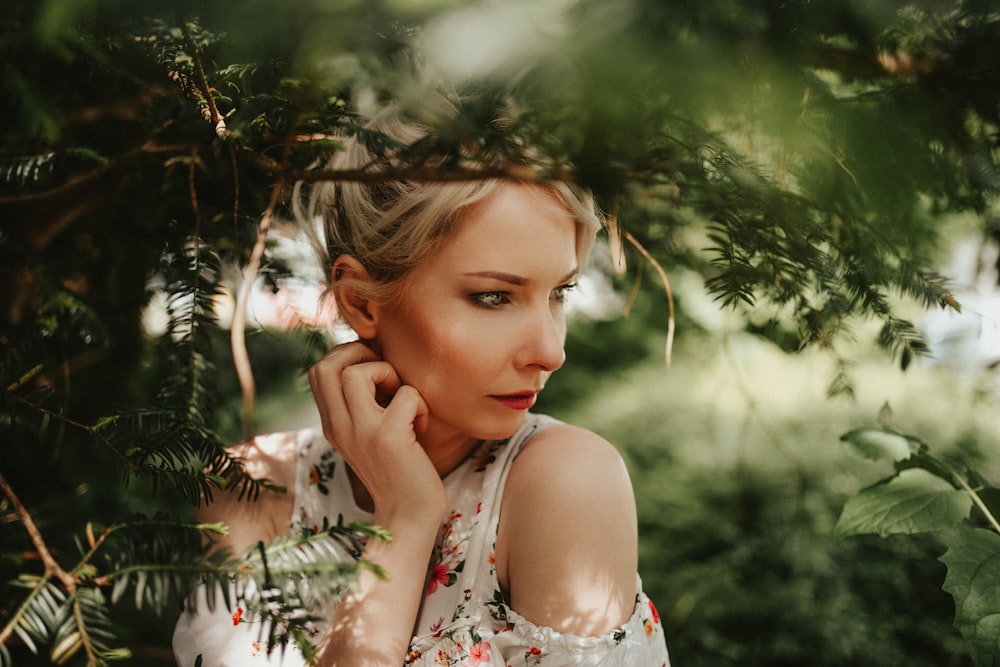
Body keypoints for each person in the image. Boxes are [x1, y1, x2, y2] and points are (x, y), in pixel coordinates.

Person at [172, 94, 670, 666]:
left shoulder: (564, 482)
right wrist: (404, 520)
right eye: (493, 297)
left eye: (559, 293)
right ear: (361, 303)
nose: (551, 352)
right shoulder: (250, 490)